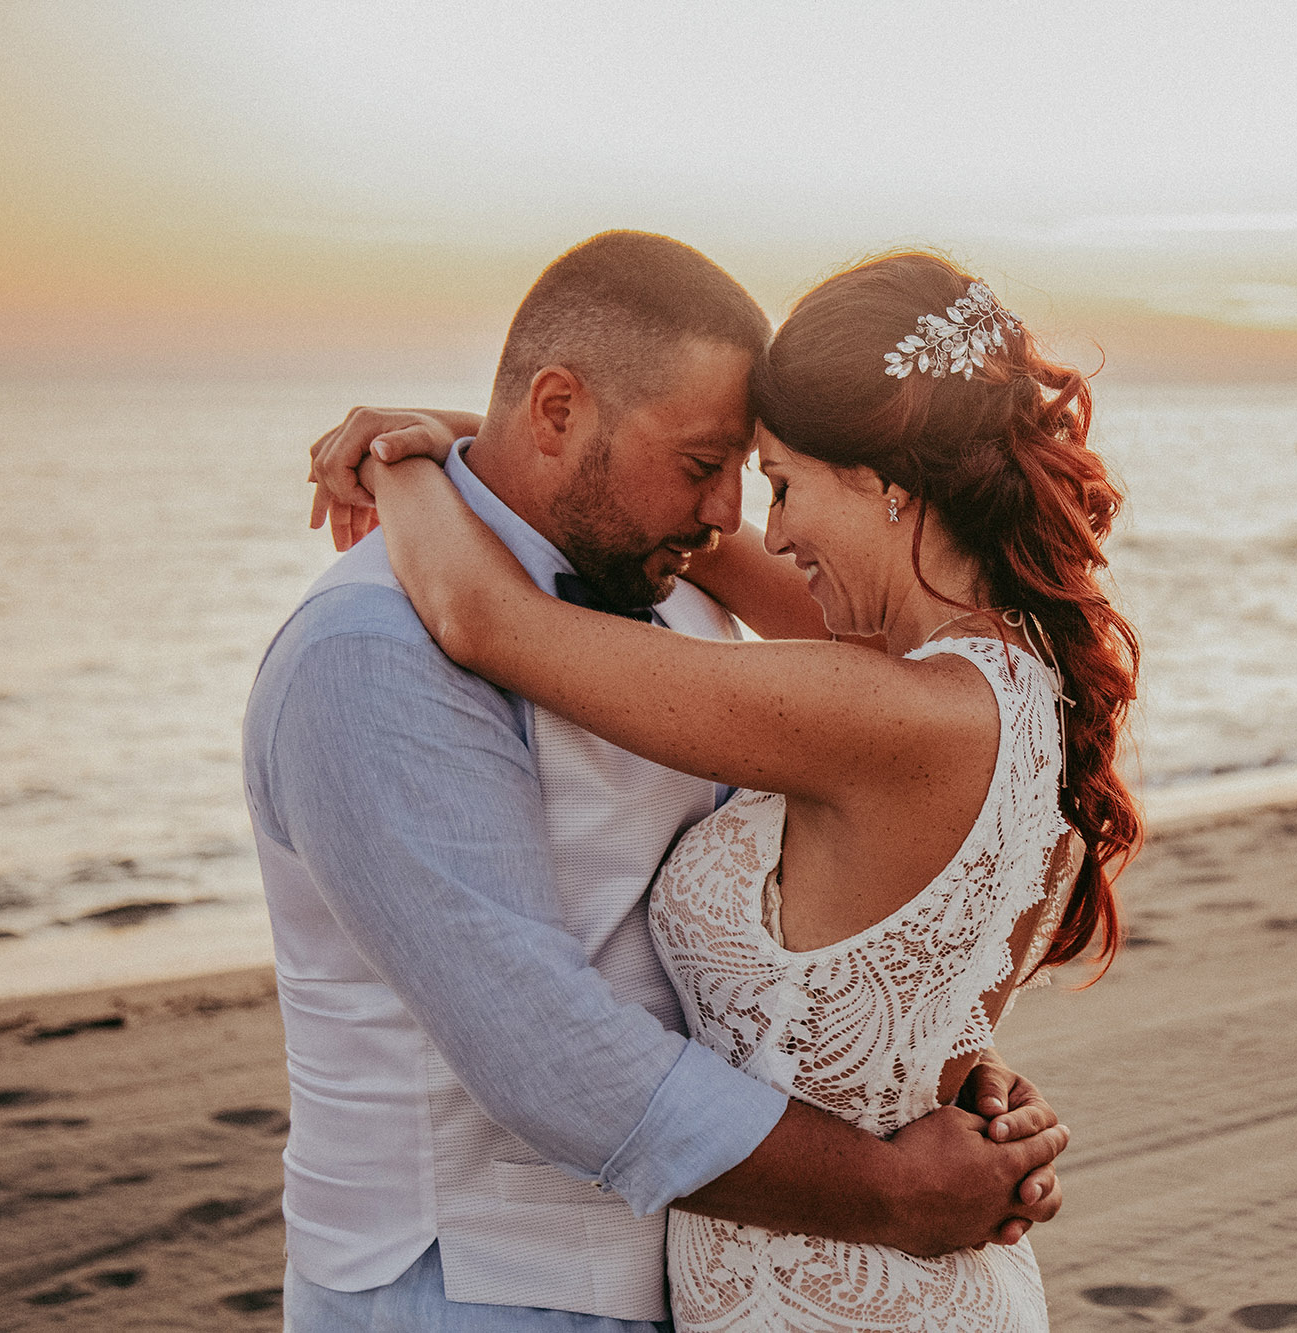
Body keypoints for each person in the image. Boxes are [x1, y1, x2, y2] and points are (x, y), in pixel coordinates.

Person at [248, 232, 1070, 1333]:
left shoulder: (682, 599)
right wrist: (896, 1179)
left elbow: (815, 910)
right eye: (704, 465)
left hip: (722, 1271)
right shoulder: (367, 652)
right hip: (468, 1290)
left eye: (760, 473)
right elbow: (542, 1046)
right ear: (555, 413)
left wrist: (923, 1054)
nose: (734, 515)